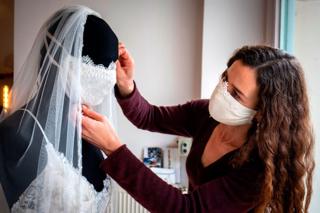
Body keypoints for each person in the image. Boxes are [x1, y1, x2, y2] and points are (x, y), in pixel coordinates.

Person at [82, 44, 315, 213]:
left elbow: (185, 209)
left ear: (263, 111)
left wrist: (114, 149)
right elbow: (149, 116)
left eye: (236, 93)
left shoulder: (259, 170)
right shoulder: (206, 114)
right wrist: (127, 85)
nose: (222, 91)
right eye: (225, 79)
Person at [0, 5, 118, 212]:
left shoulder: (94, 132)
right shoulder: (16, 133)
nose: (105, 74)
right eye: (96, 65)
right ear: (55, 57)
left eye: (109, 66)